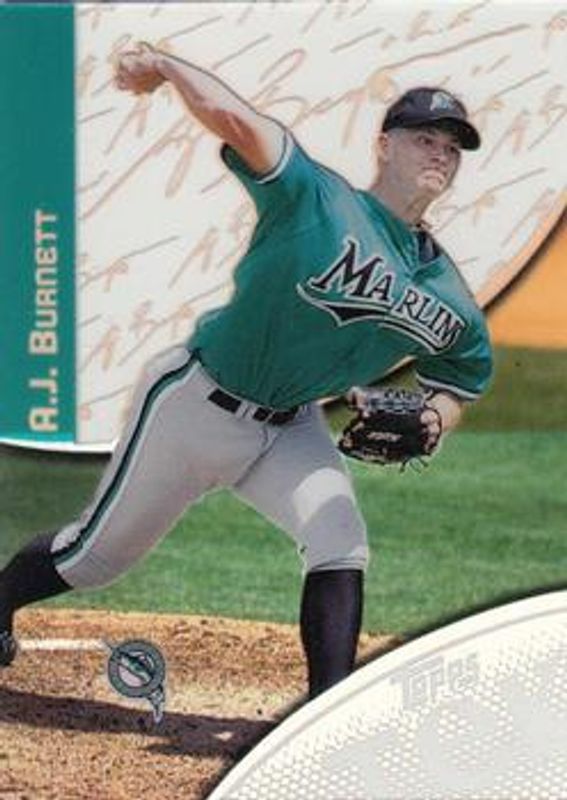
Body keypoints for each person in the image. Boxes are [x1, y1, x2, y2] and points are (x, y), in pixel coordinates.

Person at [0, 44, 492, 699]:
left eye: (452, 148)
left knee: (340, 541)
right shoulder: (316, 199)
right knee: (92, 559)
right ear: (383, 146)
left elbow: (459, 377)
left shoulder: (444, 290)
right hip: (195, 405)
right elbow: (236, 120)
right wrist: (167, 66)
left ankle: (326, 717)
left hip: (291, 428)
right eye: (425, 138)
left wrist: (433, 419)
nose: (440, 154)